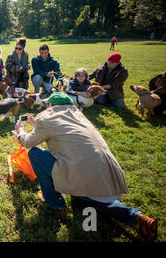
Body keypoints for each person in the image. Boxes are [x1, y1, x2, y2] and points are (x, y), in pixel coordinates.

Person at [14, 92, 158, 241]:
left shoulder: (46, 117)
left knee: (35, 154)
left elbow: (28, 142)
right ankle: (137, 217)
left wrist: (21, 131)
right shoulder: (79, 116)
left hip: (82, 175)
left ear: (50, 106)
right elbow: (58, 126)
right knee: (93, 199)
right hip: (108, 177)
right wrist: (36, 124)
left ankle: (55, 204)